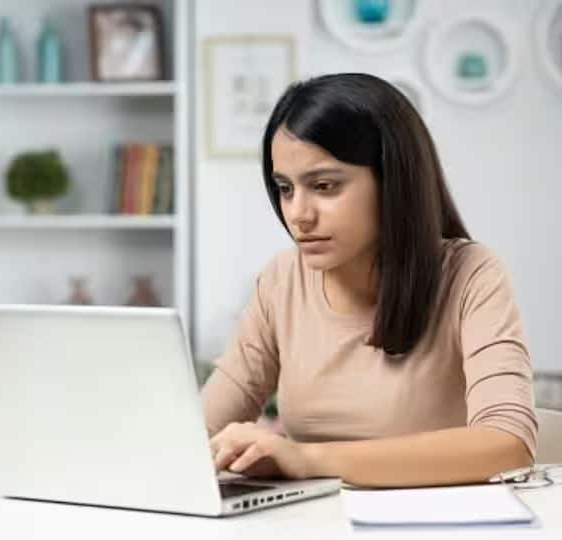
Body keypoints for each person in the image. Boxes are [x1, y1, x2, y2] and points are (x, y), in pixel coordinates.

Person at [201, 73, 537, 488]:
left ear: (392, 181)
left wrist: (306, 457)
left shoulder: (471, 275)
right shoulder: (282, 281)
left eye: (324, 186)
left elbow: (508, 443)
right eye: (285, 189)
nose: (298, 214)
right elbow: (199, 430)